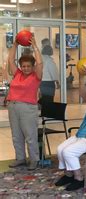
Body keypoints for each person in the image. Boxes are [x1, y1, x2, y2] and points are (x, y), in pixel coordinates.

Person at [6, 36, 43, 171]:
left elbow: (40, 64)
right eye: (23, 66)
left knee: (30, 135)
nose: (26, 68)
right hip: (13, 106)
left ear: (32, 67)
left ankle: (34, 159)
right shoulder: (18, 74)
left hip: (28, 108)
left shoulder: (36, 76)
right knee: (16, 135)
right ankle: (20, 158)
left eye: (28, 66)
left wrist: (35, 47)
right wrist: (15, 45)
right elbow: (10, 60)